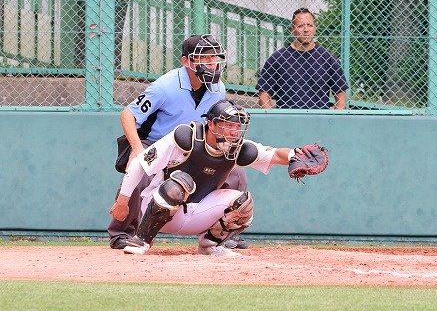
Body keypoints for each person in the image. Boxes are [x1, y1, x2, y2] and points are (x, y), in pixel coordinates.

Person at [108, 100, 322, 257]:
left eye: (237, 126)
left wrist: (294, 155)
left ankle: (210, 245)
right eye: (228, 124)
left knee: (243, 202)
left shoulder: (239, 149)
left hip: (197, 215)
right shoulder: (185, 137)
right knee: (180, 182)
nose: (234, 131)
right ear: (211, 124)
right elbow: (139, 164)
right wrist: (122, 201)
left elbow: (274, 154)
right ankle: (142, 240)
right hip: (160, 207)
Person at [107, 34, 249, 251]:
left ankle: (221, 234)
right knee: (139, 170)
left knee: (236, 174)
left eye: (214, 57)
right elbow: (128, 114)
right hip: (155, 141)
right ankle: (122, 233)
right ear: (186, 62)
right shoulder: (165, 86)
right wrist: (136, 148)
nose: (212, 63)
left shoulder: (217, 88)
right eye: (204, 58)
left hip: (194, 146)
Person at [256, 7, 348, 109]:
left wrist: (334, 118)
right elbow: (264, 94)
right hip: (288, 118)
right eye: (300, 26)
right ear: (292, 30)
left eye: (310, 25)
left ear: (315, 28)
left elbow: (341, 96)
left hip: (319, 119)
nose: (306, 30)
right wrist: (273, 117)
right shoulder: (278, 58)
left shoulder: (329, 59)